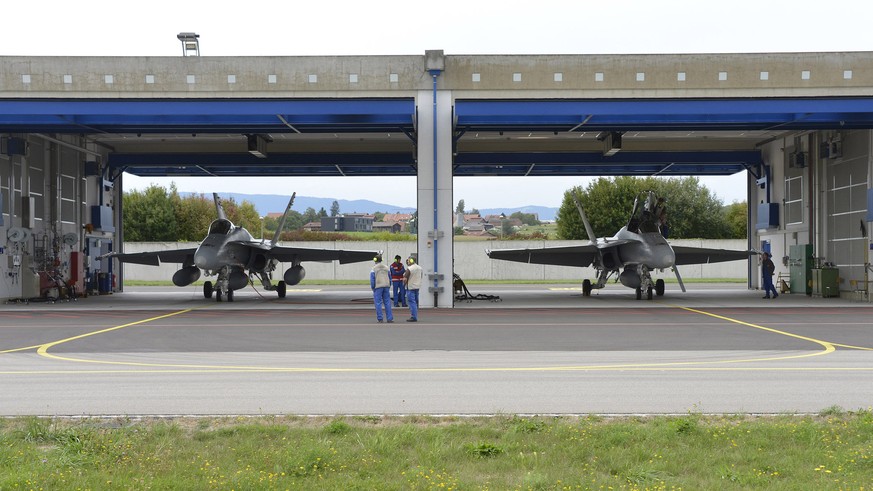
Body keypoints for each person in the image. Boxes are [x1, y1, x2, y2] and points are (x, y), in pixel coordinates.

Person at [370, 255, 394, 323]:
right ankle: (390, 318)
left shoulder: (373, 268)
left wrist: (373, 287)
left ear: (375, 260)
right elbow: (390, 277)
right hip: (386, 285)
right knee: (387, 302)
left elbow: (372, 279)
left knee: (378, 303)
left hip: (378, 286)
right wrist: (389, 285)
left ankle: (380, 318)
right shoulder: (386, 267)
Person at [403, 256, 423, 322]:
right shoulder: (420, 268)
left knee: (412, 302)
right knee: (416, 302)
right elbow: (421, 276)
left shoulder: (409, 269)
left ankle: (413, 316)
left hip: (410, 287)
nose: (407, 261)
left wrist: (404, 285)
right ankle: (415, 315)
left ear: (411, 260)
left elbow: (405, 278)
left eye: (408, 260)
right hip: (417, 287)